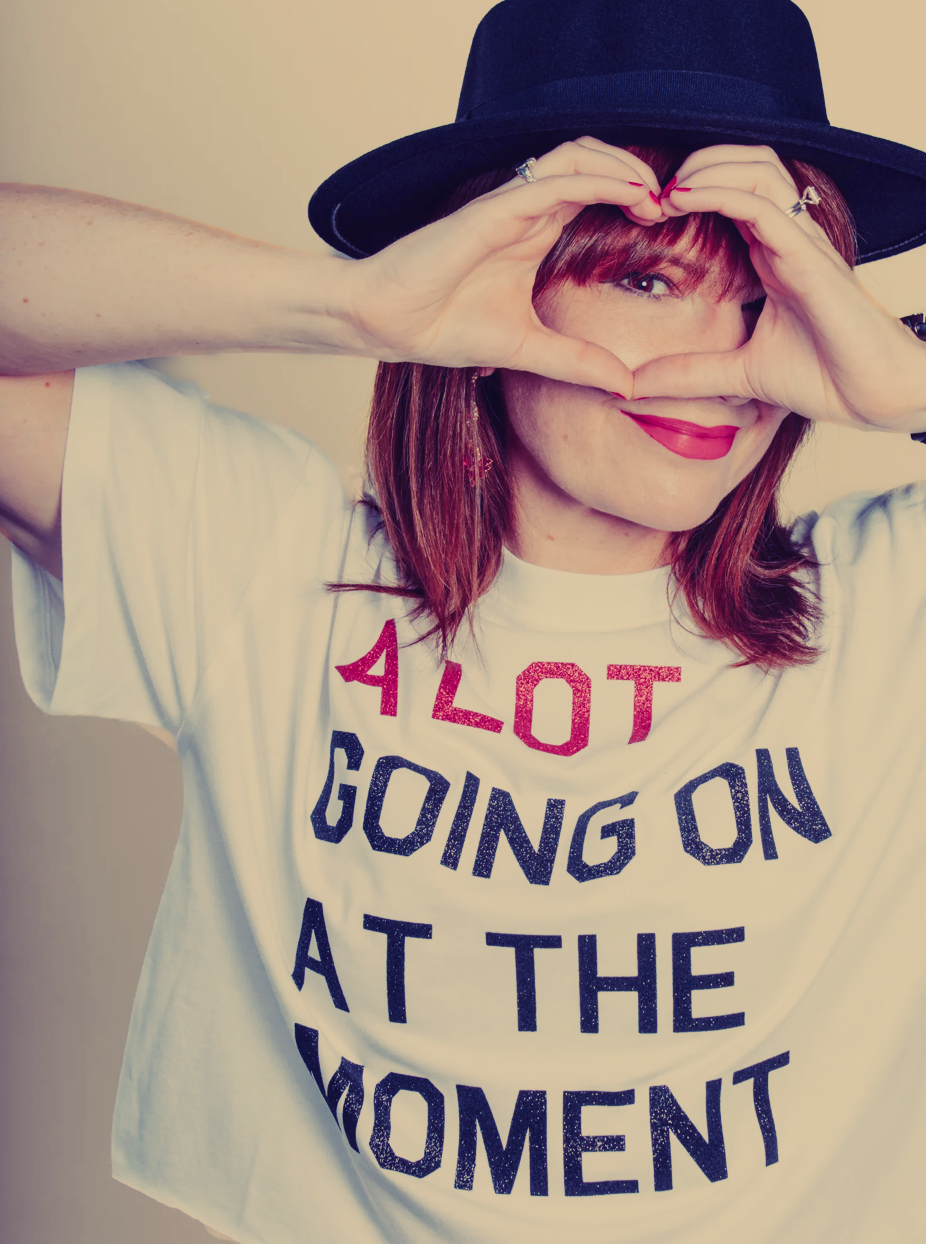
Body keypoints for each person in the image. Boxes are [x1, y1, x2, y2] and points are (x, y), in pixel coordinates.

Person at [2, 0, 926, 1240]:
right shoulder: (261, 566)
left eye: (761, 293)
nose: (721, 360)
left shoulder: (884, 604)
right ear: (496, 276)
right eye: (647, 279)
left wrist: (905, 375)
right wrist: (359, 309)